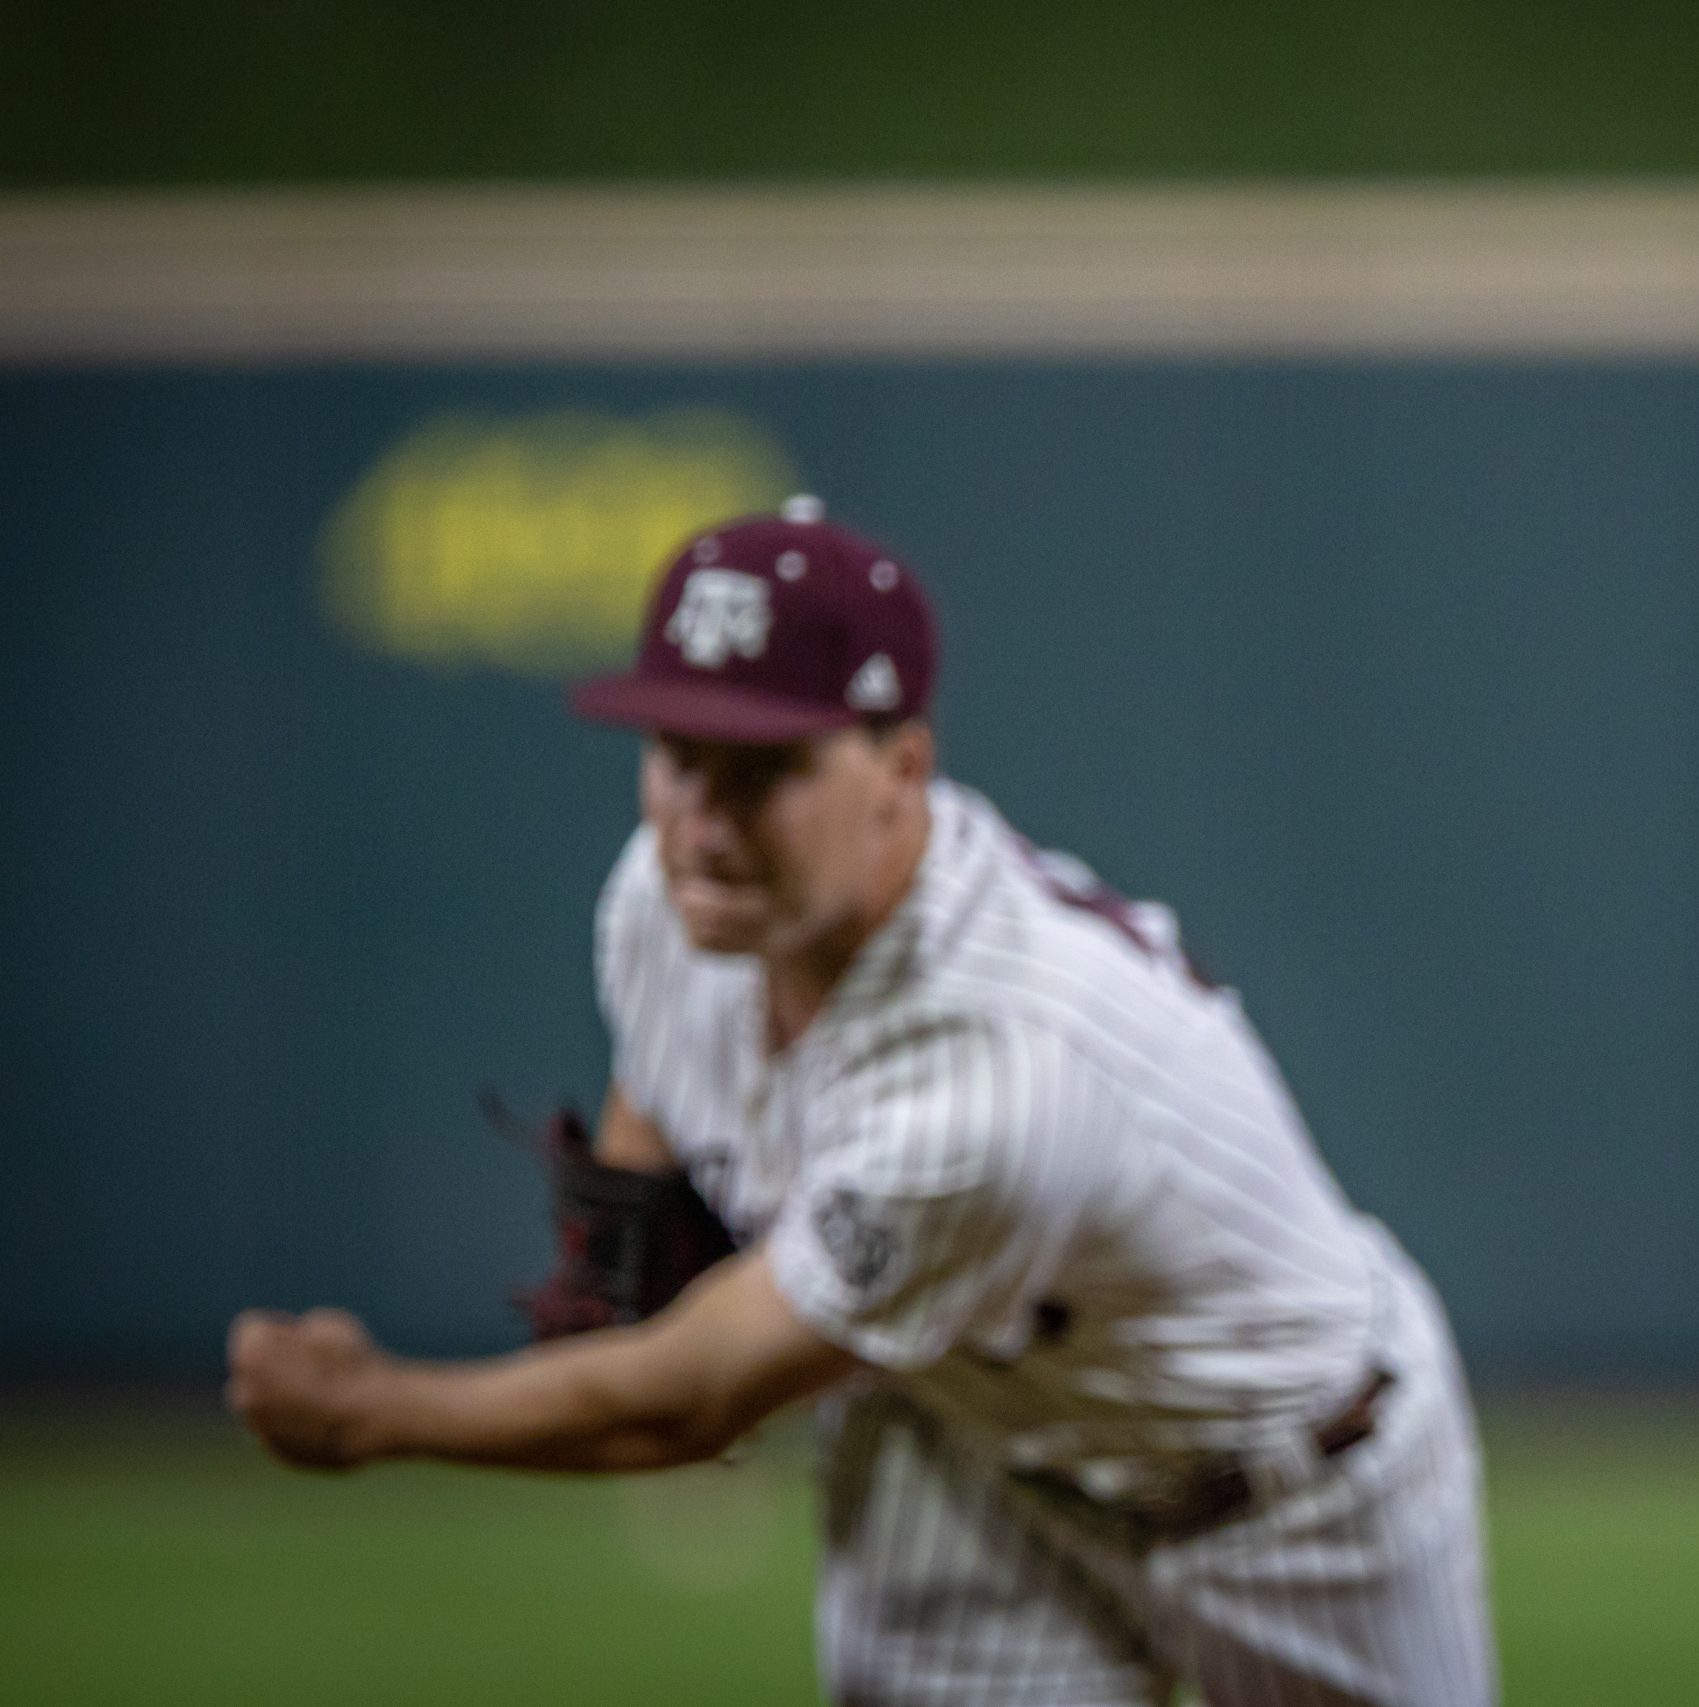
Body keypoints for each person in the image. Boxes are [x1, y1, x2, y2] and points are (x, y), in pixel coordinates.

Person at [226, 496, 1497, 1707]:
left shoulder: (993, 1071)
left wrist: (374, 1411)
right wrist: (634, 1221)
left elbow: (691, 1398)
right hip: (975, 1447)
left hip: (1291, 1493)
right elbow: (660, 1084)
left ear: (901, 766)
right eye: (678, 754)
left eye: (763, 767)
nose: (704, 823)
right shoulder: (662, 905)